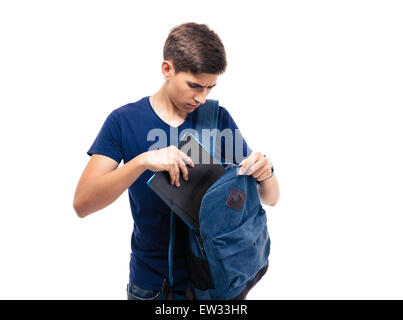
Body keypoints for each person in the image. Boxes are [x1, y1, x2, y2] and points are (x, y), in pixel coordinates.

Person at [73, 22, 280, 300]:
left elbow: (271, 198)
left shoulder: (217, 119)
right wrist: (141, 161)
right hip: (150, 286)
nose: (201, 97)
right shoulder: (124, 121)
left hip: (214, 284)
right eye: (194, 85)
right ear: (167, 70)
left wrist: (265, 172)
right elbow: (82, 204)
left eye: (209, 87)